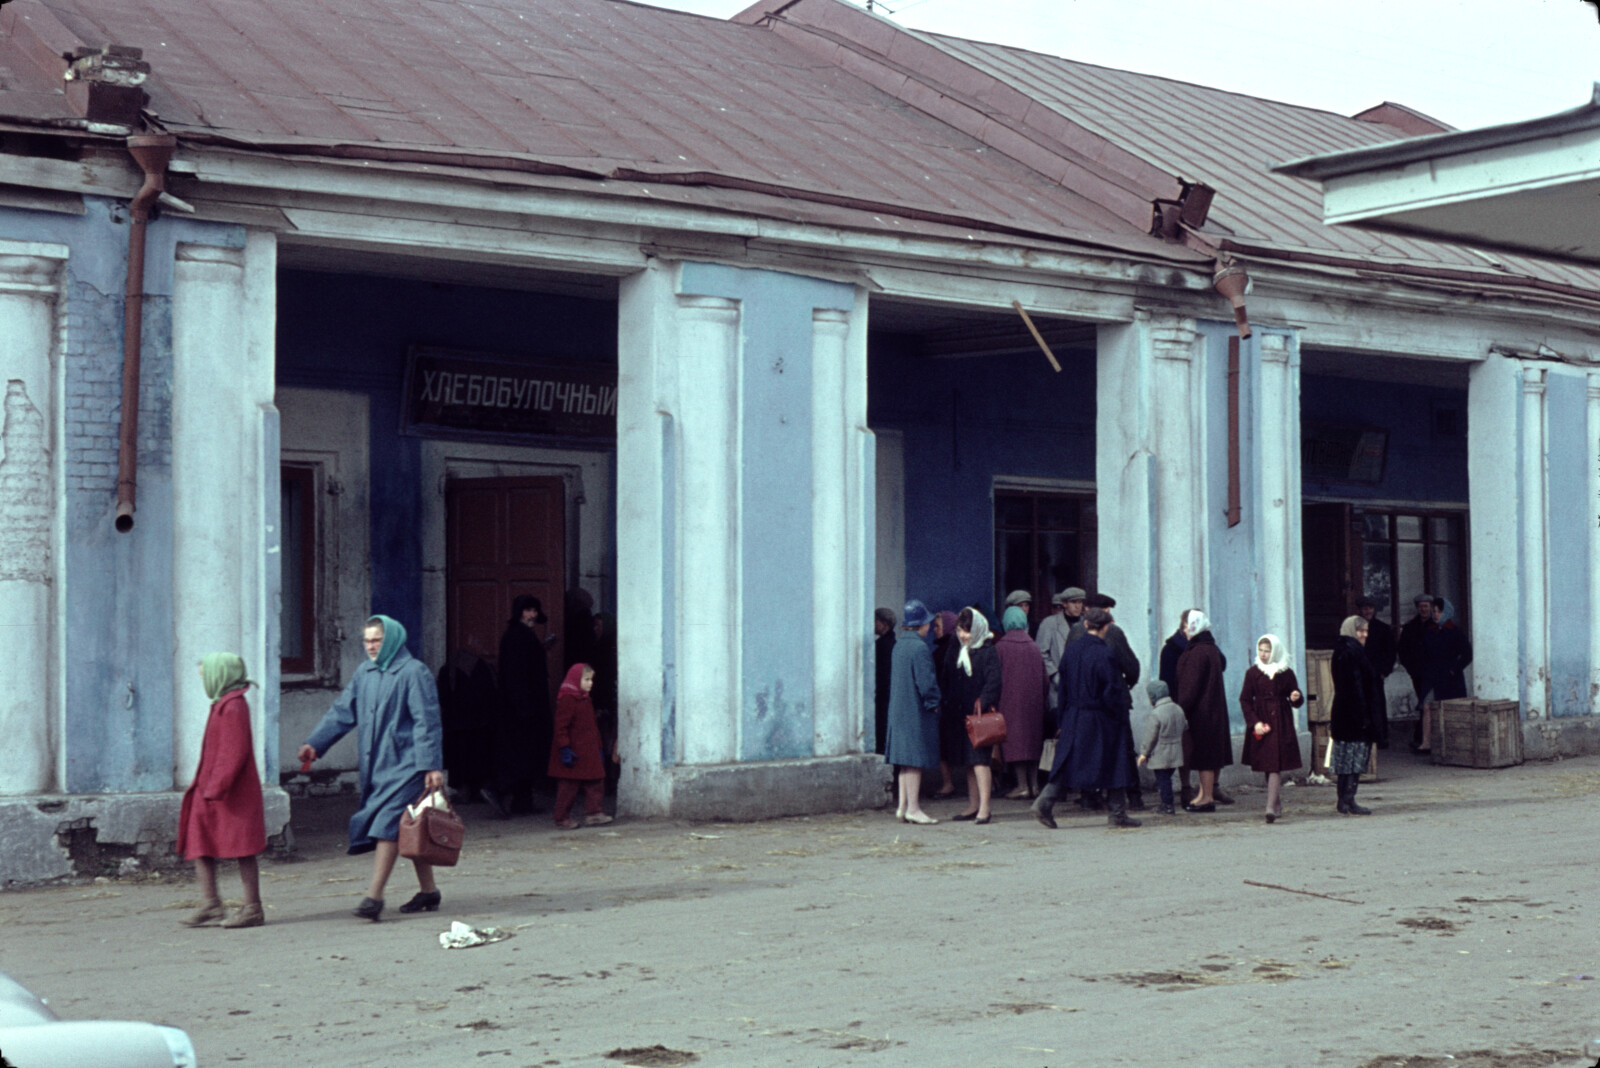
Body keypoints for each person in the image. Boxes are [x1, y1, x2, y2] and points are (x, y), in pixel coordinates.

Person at [299, 615, 446, 922]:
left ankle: (374, 896)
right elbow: (342, 711)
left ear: (391, 639)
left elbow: (426, 721)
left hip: (408, 764)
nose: (371, 646)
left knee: (387, 822)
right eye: (366, 640)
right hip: (377, 764)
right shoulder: (365, 673)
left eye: (376, 640)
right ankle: (429, 891)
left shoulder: (413, 672)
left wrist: (431, 765)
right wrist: (317, 743)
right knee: (410, 824)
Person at [177, 653, 267, 929]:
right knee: (199, 842)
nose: (203, 678)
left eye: (206, 673)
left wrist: (217, 786)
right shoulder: (221, 704)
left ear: (221, 675)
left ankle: (252, 907)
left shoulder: (234, 706)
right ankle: (210, 903)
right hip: (209, 790)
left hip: (230, 792)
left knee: (243, 846)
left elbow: (235, 752)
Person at [1046, 607, 1140, 829]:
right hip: (1100, 716)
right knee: (1116, 760)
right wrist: (1117, 715)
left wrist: (1062, 719)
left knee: (1069, 761)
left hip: (1074, 714)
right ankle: (1117, 813)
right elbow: (1111, 690)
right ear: (1105, 627)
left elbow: (1063, 688)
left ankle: (1044, 802)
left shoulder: (1071, 650)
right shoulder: (1104, 653)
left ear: (1086, 625)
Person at [487, 594, 553, 816]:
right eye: (527, 611)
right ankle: (498, 789)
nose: (532, 615)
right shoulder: (515, 637)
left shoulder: (524, 636)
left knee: (529, 754)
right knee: (519, 754)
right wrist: (523, 707)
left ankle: (523, 802)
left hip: (527, 706)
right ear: (519, 613)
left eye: (534, 611)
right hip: (520, 709)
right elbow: (515, 676)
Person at [884, 599, 942, 825]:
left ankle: (903, 806)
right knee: (915, 760)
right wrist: (934, 702)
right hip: (915, 711)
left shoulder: (899, 646)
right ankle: (914, 808)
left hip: (898, 711)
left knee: (905, 762)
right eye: (927, 623)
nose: (929, 627)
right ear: (920, 624)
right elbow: (926, 683)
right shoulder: (919, 648)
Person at [1238, 634, 1304, 824]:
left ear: (1275, 651)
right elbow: (1244, 699)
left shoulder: (1286, 672)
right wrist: (1254, 723)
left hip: (1281, 721)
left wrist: (1295, 697)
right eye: (1261, 650)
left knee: (1275, 764)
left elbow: (1297, 698)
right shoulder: (1253, 673)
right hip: (1262, 720)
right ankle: (1276, 803)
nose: (1264, 654)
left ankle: (1269, 807)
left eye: (1267, 650)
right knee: (1269, 763)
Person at [947, 607, 1001, 824]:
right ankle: (973, 805)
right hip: (962, 713)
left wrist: (983, 701)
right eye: (960, 630)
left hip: (979, 716)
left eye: (967, 631)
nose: (963, 635)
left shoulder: (988, 651)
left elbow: (994, 682)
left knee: (980, 762)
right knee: (969, 762)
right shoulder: (961, 650)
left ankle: (985, 808)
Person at [1174, 610, 1230, 812]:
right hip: (1211, 709)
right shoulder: (1209, 648)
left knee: (1205, 755)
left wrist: (1181, 708)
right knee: (1206, 754)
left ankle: (1206, 797)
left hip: (1202, 712)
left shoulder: (1198, 652)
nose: (1184, 630)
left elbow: (1190, 685)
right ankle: (1202, 794)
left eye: (1187, 626)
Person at [1330, 615, 1384, 815]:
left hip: (1346, 715)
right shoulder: (1351, 653)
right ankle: (1347, 801)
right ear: (1351, 631)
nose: (1364, 635)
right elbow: (1355, 688)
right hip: (1354, 716)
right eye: (1361, 630)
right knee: (1353, 759)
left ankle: (1345, 801)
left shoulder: (1347, 651)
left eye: (1366, 631)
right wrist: (1363, 718)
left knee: (1348, 760)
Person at [549, 663, 612, 830]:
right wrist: (564, 748)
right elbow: (561, 726)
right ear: (576, 680)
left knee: (596, 781)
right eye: (586, 679)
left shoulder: (585, 699)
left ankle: (594, 813)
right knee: (568, 787)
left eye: (591, 679)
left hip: (589, 752)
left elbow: (592, 726)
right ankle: (561, 818)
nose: (590, 683)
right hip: (574, 752)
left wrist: (599, 748)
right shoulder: (568, 699)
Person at [995, 605, 1048, 799]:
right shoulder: (1033, 646)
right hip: (1034, 704)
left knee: (1015, 744)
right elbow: (1045, 679)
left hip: (1009, 703)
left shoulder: (1001, 647)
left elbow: (995, 678)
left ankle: (1022, 785)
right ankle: (1035, 786)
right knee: (1033, 744)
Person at [436, 646, 497, 804]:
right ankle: (478, 790)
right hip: (480, 724)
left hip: (456, 726)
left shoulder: (448, 670)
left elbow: (443, 697)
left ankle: (464, 792)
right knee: (479, 759)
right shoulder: (482, 668)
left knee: (458, 761)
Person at [1136, 679, 1185, 815]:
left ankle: (1167, 805)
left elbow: (1150, 736)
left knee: (1163, 781)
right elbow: (1185, 725)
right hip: (1176, 751)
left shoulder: (1156, 713)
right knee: (1167, 778)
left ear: (1153, 696)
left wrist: (1144, 753)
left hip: (1161, 753)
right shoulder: (1177, 708)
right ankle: (1167, 803)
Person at [932, 610, 963, 798]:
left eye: (938, 626)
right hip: (959, 703)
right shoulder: (961, 647)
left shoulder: (942, 652)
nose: (934, 630)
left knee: (943, 745)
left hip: (947, 704)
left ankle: (947, 784)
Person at [590, 612, 620, 791]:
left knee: (609, 741)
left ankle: (609, 779)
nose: (595, 629)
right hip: (607, 701)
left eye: (598, 626)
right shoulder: (603, 646)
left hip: (607, 702)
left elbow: (604, 679)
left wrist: (602, 704)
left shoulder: (604, 648)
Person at [1035, 587, 1084, 694]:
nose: (1078, 606)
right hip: (1059, 687)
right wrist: (1055, 676)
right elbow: (1041, 653)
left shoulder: (1086, 624)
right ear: (1064, 604)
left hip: (1083, 686)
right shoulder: (1049, 624)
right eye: (1073, 602)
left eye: (1080, 602)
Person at [873, 607, 897, 756]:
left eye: (875, 621)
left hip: (883, 696)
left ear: (884, 624)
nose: (873, 624)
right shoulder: (891, 643)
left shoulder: (882, 645)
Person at [1355, 596, 1396, 680]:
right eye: (1365, 609)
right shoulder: (1353, 627)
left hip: (1376, 673)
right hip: (1358, 673)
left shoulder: (1383, 628)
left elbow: (1391, 651)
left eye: (1371, 608)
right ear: (1360, 610)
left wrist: (1385, 671)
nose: (1368, 611)